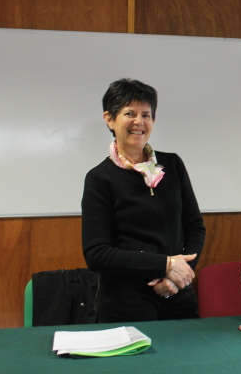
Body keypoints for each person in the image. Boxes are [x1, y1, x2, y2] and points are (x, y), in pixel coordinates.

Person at [82, 78, 206, 323]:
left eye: (146, 115)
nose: (139, 122)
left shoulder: (172, 165)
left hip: (177, 293)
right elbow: (97, 253)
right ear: (109, 118)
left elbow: (195, 227)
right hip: (125, 301)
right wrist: (165, 265)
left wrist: (176, 275)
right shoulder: (99, 178)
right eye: (130, 113)